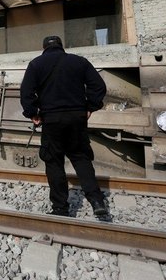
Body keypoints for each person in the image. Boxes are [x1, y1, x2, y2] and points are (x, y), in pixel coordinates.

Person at [20, 35, 108, 217]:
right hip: (77, 117)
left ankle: (60, 208)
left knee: (53, 162)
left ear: (43, 47)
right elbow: (98, 86)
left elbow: (26, 93)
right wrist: (90, 106)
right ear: (62, 46)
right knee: (81, 158)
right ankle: (97, 201)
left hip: (51, 119)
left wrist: (33, 113)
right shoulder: (79, 62)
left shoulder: (36, 64)